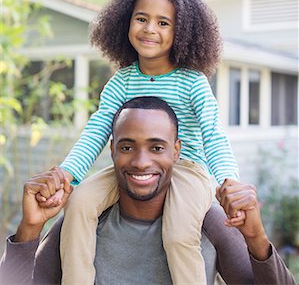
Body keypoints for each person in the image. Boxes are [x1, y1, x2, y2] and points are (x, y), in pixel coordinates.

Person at [40, 0, 241, 285]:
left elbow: (213, 133)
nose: (150, 29)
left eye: (164, 23)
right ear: (126, 23)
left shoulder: (192, 82)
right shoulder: (121, 81)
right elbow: (97, 131)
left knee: (178, 234)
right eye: (142, 19)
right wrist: (69, 174)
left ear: (182, 32)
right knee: (79, 203)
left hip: (186, 168)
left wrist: (229, 181)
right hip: (131, 164)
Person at [0, 97, 295, 285]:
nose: (141, 162)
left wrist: (256, 238)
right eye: (127, 147)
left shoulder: (209, 222)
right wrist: (30, 228)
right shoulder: (82, 222)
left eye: (157, 147)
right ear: (113, 150)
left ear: (177, 152)